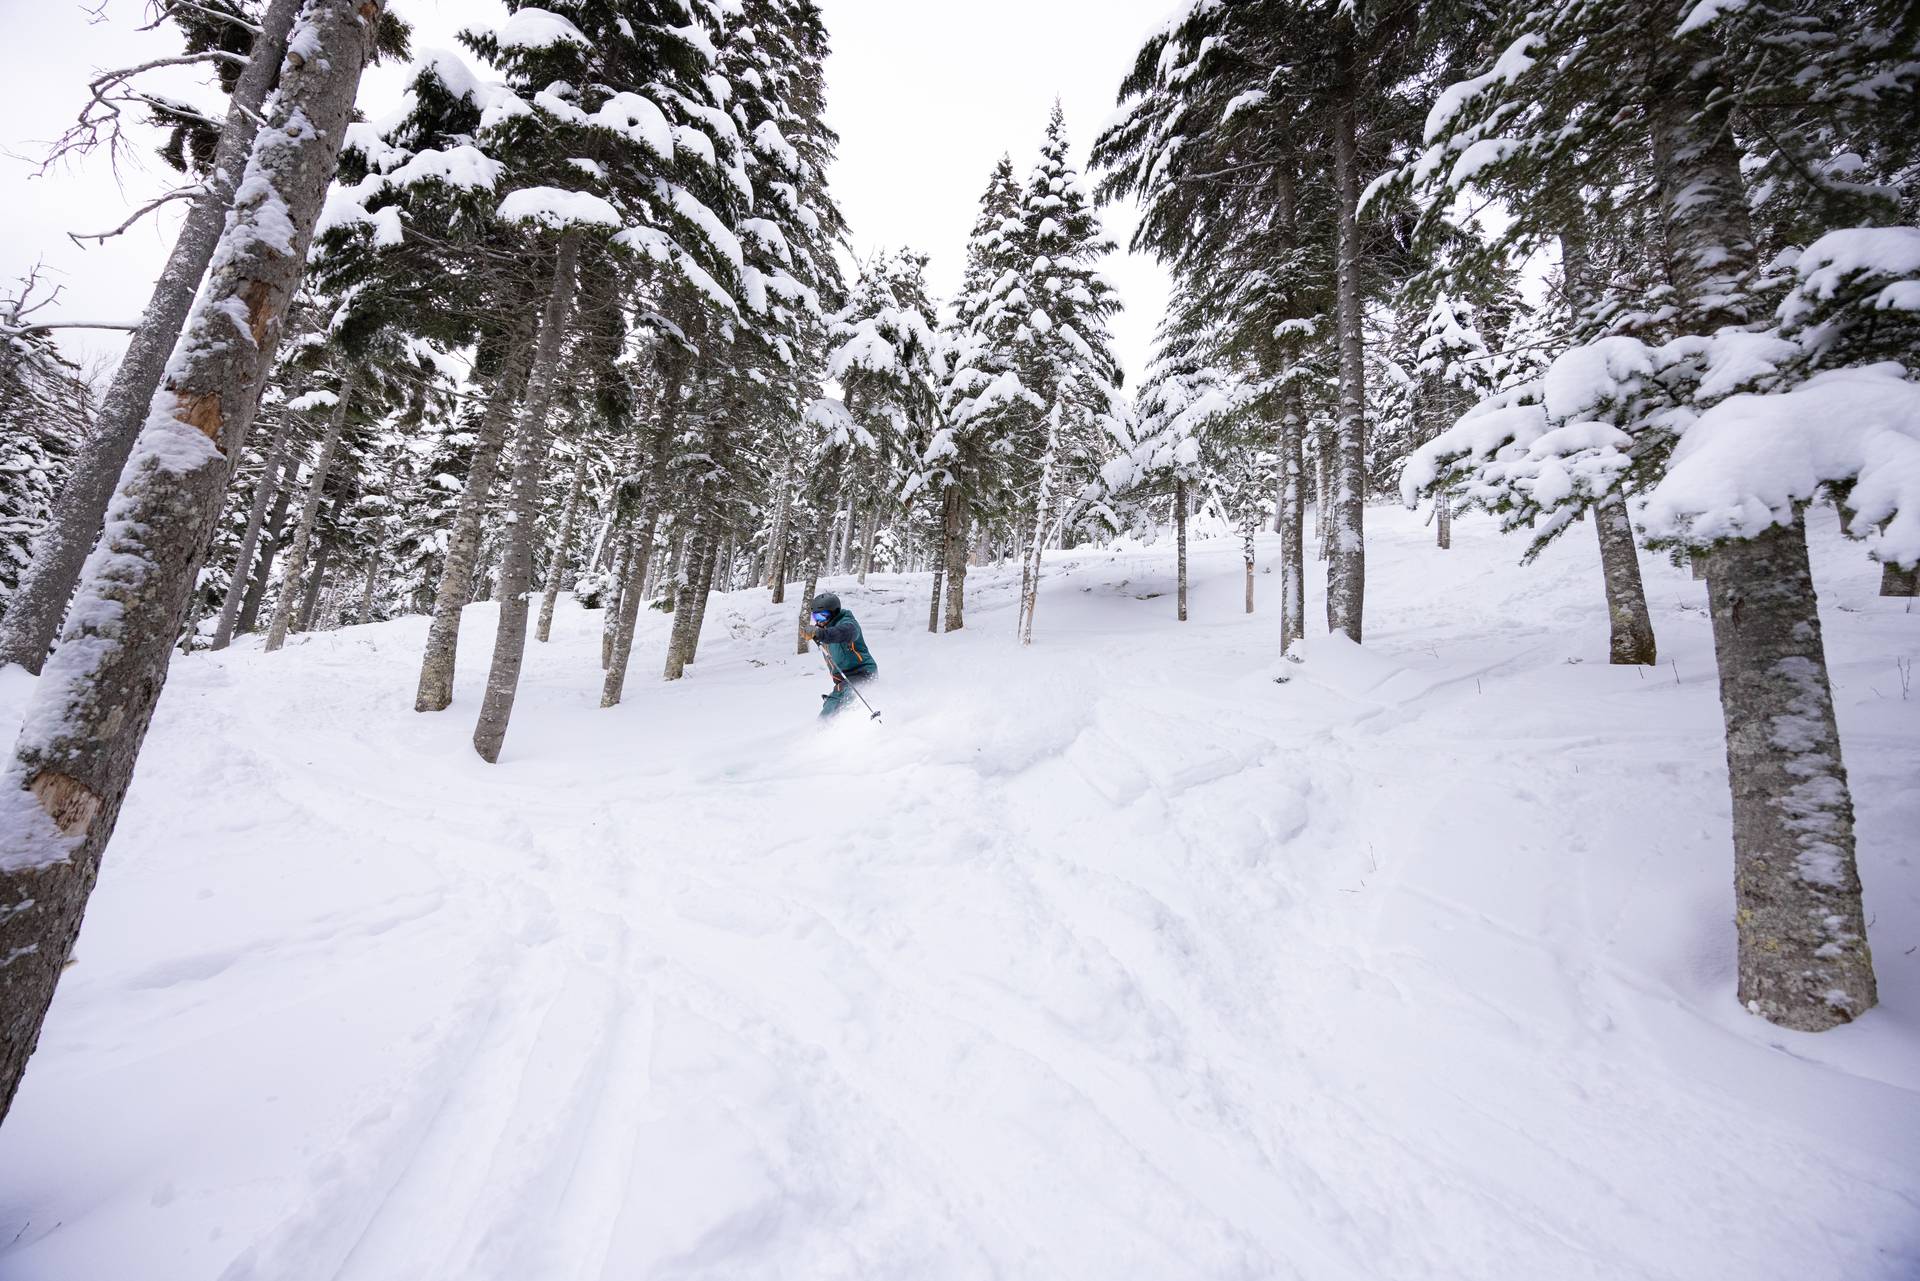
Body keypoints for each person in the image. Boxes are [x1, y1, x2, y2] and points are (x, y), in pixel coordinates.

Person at [803, 591, 877, 718]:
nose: (819, 621)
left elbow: (844, 632)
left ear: (834, 612)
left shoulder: (848, 624)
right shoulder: (823, 629)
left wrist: (820, 634)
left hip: (863, 673)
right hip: (843, 680)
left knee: (836, 700)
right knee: (839, 700)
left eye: (822, 616)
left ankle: (821, 729)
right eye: (816, 617)